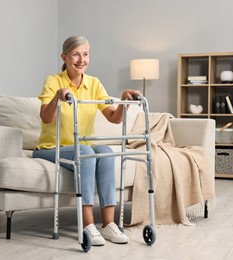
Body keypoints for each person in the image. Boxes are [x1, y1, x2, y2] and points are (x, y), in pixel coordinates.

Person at [32, 35, 141, 246]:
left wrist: (123, 102)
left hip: (82, 147)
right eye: (75, 54)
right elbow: (45, 117)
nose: (81, 59)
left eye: (85, 54)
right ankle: (87, 225)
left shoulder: (94, 83)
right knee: (87, 152)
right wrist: (57, 97)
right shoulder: (53, 81)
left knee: (106, 152)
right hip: (50, 148)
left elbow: (113, 117)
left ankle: (108, 225)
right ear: (64, 57)